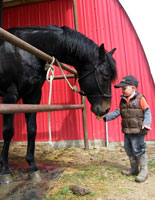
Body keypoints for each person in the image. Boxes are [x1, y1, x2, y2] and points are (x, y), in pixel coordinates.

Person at [101, 75, 152, 182]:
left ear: (133, 88)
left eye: (124, 88)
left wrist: (146, 123)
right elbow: (118, 112)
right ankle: (134, 169)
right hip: (127, 130)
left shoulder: (140, 99)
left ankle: (144, 170)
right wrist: (106, 117)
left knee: (138, 149)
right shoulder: (123, 101)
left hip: (138, 130)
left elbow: (147, 112)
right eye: (121, 89)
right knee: (129, 149)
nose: (122, 90)